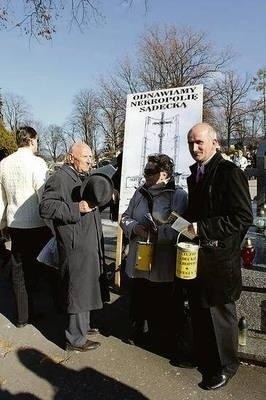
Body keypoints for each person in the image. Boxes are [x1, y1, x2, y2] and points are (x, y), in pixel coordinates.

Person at [184, 123, 252, 390]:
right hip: (199, 254)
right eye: (190, 143)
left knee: (220, 312)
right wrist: (182, 223)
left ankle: (226, 366)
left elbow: (242, 217)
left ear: (215, 142)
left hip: (220, 257)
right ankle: (205, 358)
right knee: (201, 309)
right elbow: (199, 210)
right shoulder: (196, 173)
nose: (194, 148)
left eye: (199, 142)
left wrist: (202, 228)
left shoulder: (229, 172)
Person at [39, 142, 112, 352]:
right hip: (75, 244)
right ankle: (75, 339)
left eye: (91, 157)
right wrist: (75, 207)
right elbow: (46, 207)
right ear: (72, 158)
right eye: (86, 157)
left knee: (86, 287)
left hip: (86, 242)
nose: (90, 161)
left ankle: (83, 327)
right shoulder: (60, 178)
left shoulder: (80, 175)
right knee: (77, 290)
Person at [120, 153, 187, 351]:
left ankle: (164, 338)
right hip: (140, 255)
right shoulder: (140, 192)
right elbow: (124, 217)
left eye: (150, 171)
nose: (146, 175)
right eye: (145, 170)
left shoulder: (178, 195)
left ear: (164, 174)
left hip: (162, 258)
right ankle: (139, 331)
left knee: (162, 299)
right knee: (140, 295)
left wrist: (159, 232)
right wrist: (135, 228)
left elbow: (181, 226)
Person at [0, 126, 51, 327]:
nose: (37, 145)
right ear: (31, 140)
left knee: (18, 269)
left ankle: (22, 316)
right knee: (37, 269)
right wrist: (50, 222)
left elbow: (1, 199)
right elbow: (42, 194)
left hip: (15, 224)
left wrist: (2, 224)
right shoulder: (37, 162)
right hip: (36, 224)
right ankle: (37, 311)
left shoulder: (4, 163)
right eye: (36, 141)